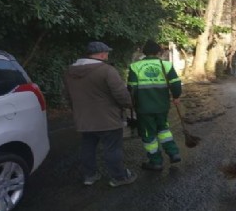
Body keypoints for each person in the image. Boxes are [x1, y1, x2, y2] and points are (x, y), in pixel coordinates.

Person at [64, 41, 137, 187]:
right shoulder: (107, 70)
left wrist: (77, 111)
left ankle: (90, 176)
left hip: (84, 119)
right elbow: (121, 94)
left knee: (87, 147)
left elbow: (67, 95)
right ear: (102, 54)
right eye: (107, 53)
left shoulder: (69, 72)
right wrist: (128, 105)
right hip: (107, 119)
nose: (108, 55)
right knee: (112, 149)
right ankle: (119, 177)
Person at [127, 40, 182, 171]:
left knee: (148, 134)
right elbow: (175, 83)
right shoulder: (166, 65)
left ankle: (156, 161)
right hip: (162, 106)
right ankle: (173, 153)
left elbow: (131, 88)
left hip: (144, 108)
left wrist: (131, 103)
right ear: (159, 52)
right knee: (163, 129)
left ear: (143, 52)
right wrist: (176, 96)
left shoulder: (135, 66)